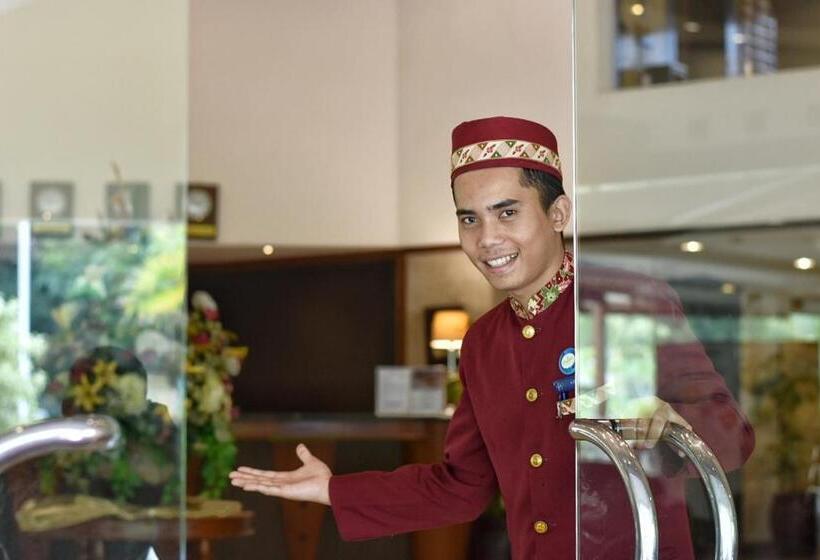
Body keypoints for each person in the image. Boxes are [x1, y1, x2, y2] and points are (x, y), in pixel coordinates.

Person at [229, 116, 754, 559]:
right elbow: (461, 486)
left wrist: (670, 422)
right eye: (469, 219)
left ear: (558, 214)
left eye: (507, 212)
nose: (487, 239)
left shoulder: (627, 303)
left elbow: (734, 436)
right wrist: (333, 490)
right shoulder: (483, 344)